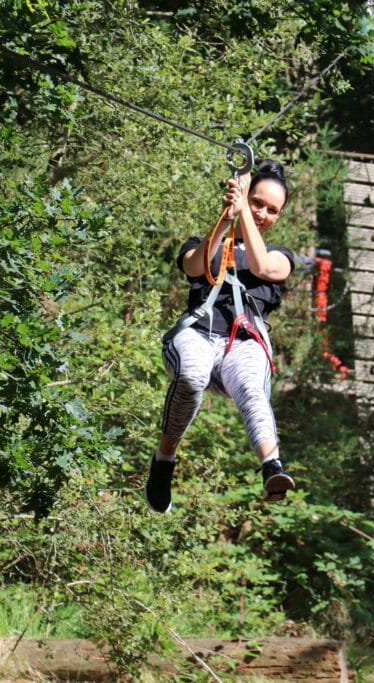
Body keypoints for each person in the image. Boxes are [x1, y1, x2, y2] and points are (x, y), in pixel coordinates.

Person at [145, 160, 296, 513]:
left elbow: (261, 268)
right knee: (191, 375)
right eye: (257, 202)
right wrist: (228, 216)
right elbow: (195, 266)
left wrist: (244, 209)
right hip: (197, 334)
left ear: (279, 217)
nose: (261, 213)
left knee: (251, 389)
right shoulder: (203, 243)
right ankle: (164, 459)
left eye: (271, 210)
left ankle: (271, 466)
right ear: (246, 197)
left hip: (242, 344)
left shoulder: (280, 257)